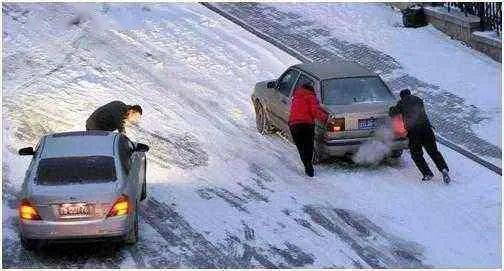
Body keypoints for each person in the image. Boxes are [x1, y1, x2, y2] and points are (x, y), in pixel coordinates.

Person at [389, 89, 451, 183]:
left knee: (416, 154)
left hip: (414, 132)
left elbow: (393, 113)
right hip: (427, 129)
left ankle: (427, 173)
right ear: (410, 94)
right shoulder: (418, 100)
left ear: (402, 96)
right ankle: (443, 169)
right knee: (433, 151)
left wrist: (391, 109)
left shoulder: (402, 102)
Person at [289, 83, 328, 177]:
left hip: (293, 125)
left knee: (301, 147)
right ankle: (309, 167)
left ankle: (307, 165)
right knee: (308, 146)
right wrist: (325, 118)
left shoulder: (295, 97)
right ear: (311, 90)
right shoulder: (311, 96)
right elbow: (315, 111)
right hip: (307, 124)